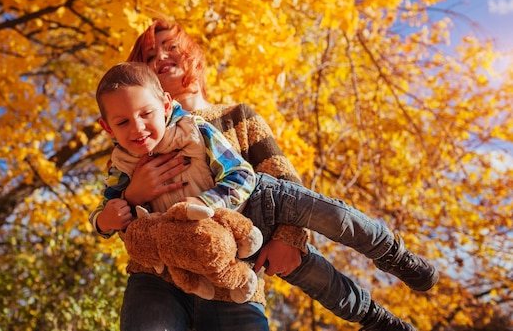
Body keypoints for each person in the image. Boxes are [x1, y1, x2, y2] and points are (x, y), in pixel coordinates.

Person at [119, 18, 440, 331]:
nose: (160, 57)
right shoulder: (138, 138)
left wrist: (288, 238)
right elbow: (132, 231)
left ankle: (377, 309)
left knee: (308, 262)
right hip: (162, 275)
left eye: (170, 46)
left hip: (239, 270)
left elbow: (283, 182)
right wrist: (132, 195)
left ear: (192, 54)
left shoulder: (237, 116)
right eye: (149, 57)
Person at [91, 61, 270, 331]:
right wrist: (114, 212)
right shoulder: (121, 164)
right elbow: (108, 213)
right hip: (158, 279)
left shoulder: (196, 132)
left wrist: (203, 204)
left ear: (165, 105)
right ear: (107, 128)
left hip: (222, 262)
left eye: (145, 113)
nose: (137, 128)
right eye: (122, 122)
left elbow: (243, 176)